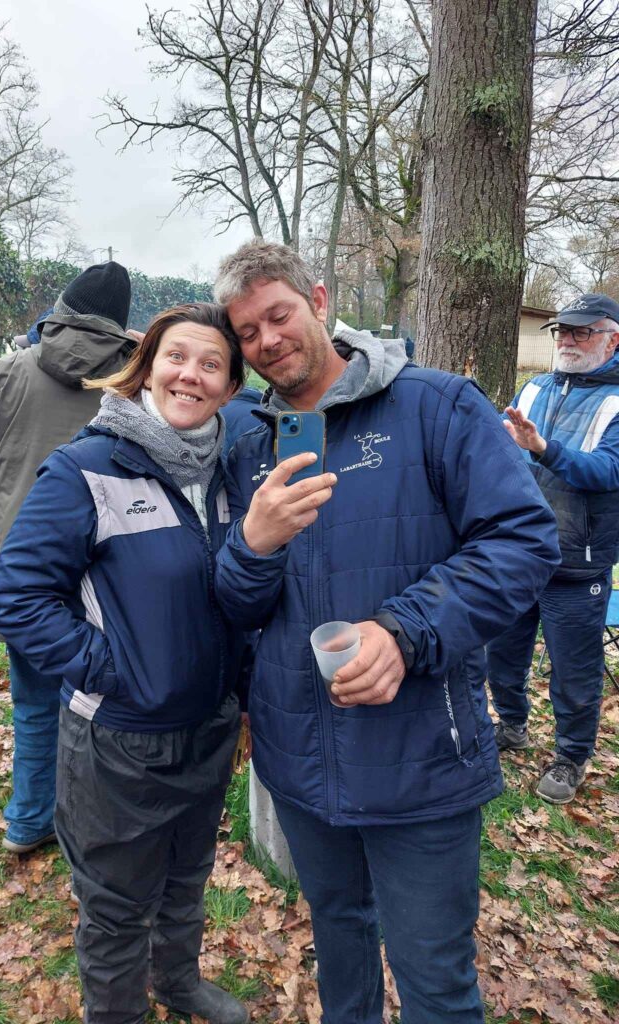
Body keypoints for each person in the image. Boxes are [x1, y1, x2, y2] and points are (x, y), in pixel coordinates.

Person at [212, 240, 561, 1024]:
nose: (268, 340)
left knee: (434, 977)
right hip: (300, 758)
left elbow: (524, 541)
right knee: (338, 938)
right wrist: (252, 548)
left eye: (279, 315)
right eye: (247, 332)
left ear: (319, 301)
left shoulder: (436, 407)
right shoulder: (247, 449)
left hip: (420, 755)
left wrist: (403, 631)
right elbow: (236, 607)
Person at [0, 303, 250, 1024]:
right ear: (147, 368)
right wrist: (112, 670)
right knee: (115, 908)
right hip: (119, 744)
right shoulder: (88, 468)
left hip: (207, 729)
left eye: (211, 364)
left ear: (231, 387)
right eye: (176, 357)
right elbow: (15, 595)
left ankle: (177, 981)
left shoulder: (230, 475)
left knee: (187, 877)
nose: (190, 375)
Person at [0, 261, 137, 854]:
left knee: (34, 702)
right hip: (107, 564)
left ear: (63, 308)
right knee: (104, 703)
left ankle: (30, 818)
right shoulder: (134, 376)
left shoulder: (12, 369)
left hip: (23, 561)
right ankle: (92, 820)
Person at [486, 293, 619, 804]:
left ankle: (571, 757)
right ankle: (512, 725)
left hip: (577, 565)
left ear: (612, 339)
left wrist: (543, 448)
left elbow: (607, 471)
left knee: (574, 671)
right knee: (503, 653)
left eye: (582, 331)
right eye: (563, 330)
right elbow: (503, 450)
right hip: (519, 554)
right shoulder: (534, 387)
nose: (567, 340)